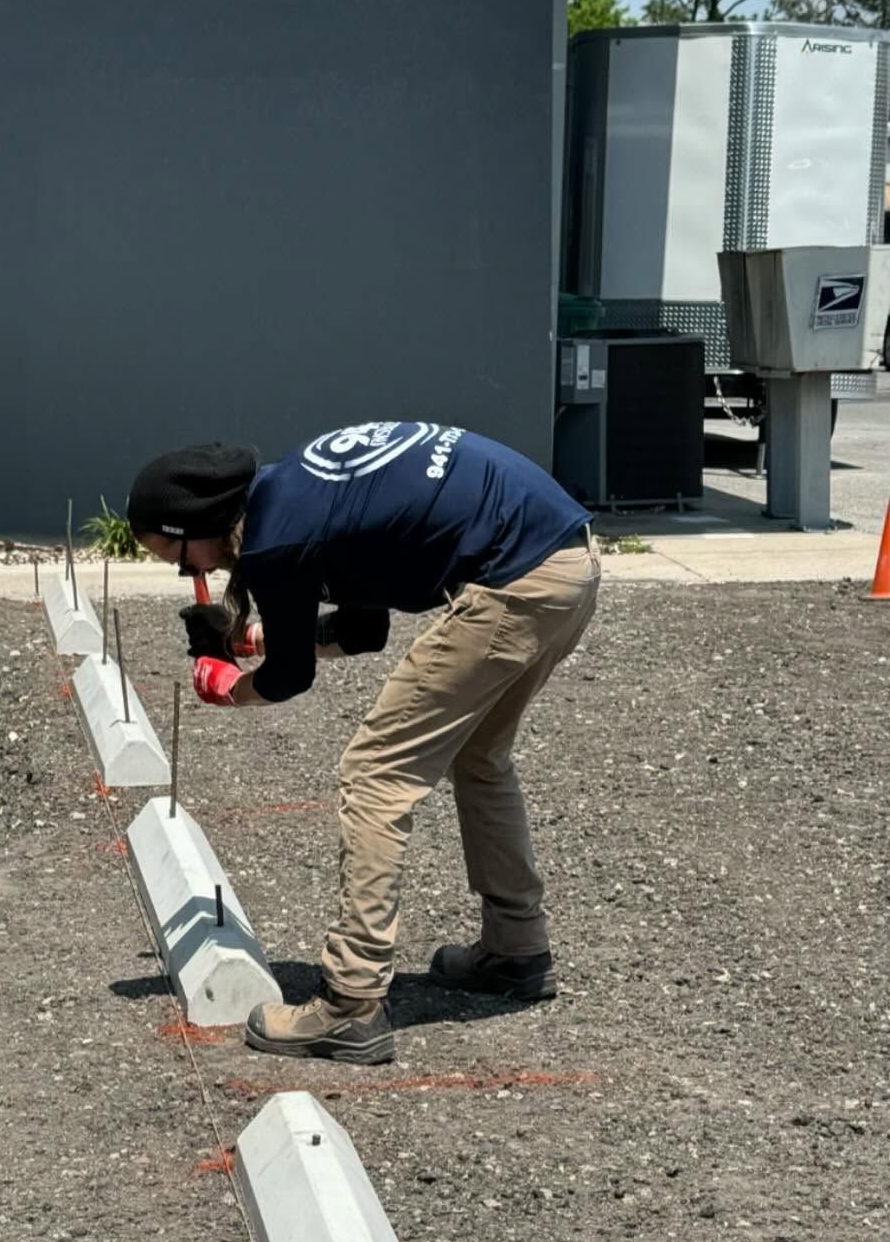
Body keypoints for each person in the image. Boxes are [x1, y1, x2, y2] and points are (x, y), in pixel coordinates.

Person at [125, 421, 599, 1065]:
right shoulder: (298, 497)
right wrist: (250, 639)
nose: (191, 573)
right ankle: (517, 950)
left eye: (180, 558)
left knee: (375, 773)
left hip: (513, 580)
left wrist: (227, 685)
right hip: (565, 563)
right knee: (479, 757)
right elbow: (362, 630)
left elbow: (289, 678)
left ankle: (350, 1005)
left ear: (198, 525)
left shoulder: (276, 540)